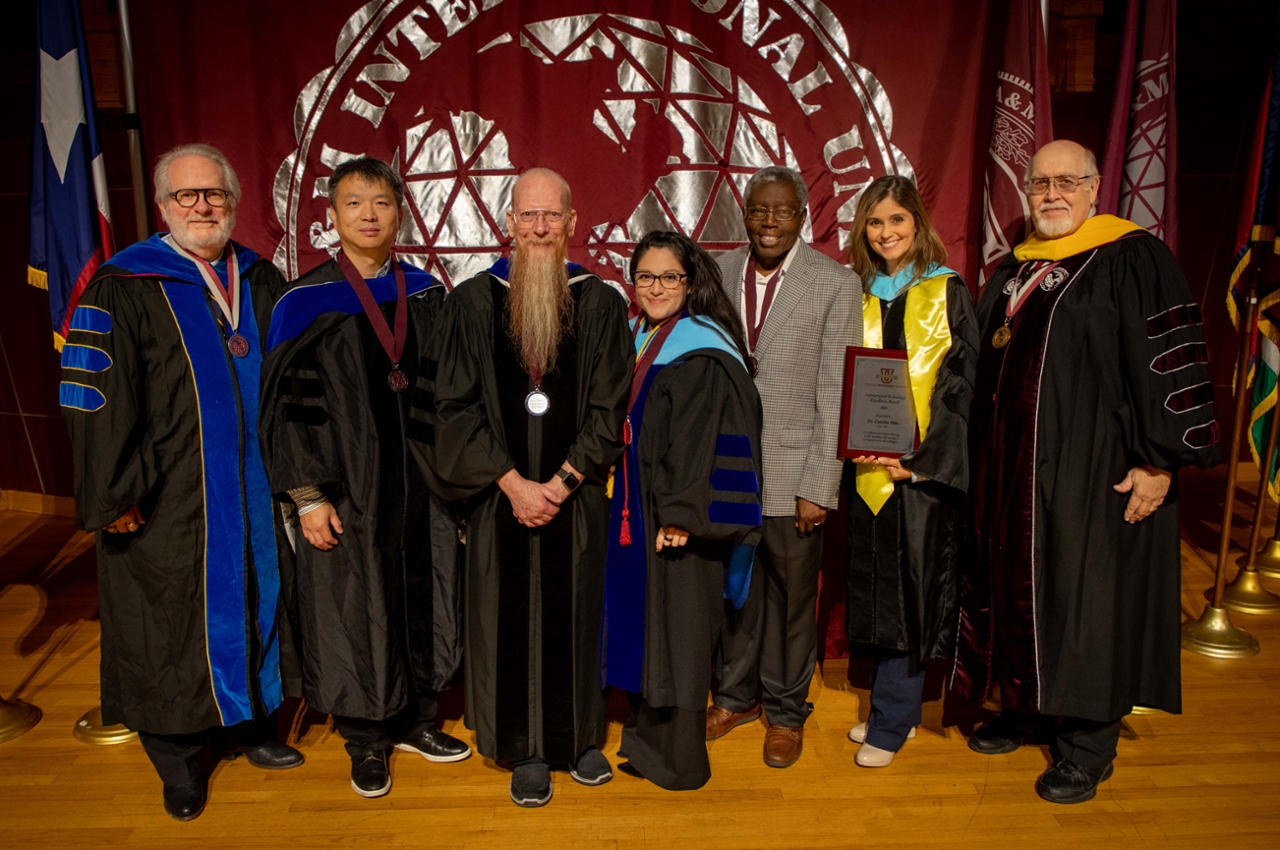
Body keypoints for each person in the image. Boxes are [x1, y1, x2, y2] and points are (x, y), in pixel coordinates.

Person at [952, 140, 1221, 803]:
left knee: (1088, 599)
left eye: (1067, 181)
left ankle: (1088, 746)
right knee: (1021, 589)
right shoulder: (1016, 269)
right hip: (1011, 472)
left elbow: (1170, 361)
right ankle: (1024, 705)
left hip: (1093, 470)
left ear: (1096, 188)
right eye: (1040, 181)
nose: (1051, 193)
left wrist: (1159, 463)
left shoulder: (1132, 258)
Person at [59, 143, 303, 821]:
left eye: (215, 195)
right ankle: (176, 760)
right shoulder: (124, 286)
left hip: (255, 489)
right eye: (186, 196)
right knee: (167, 620)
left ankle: (249, 725)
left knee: (258, 597)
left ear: (234, 202)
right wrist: (112, 493)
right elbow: (94, 398)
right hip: (167, 496)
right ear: (163, 207)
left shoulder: (258, 279)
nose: (202, 207)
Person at [416, 167, 631, 808]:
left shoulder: (600, 302)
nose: (539, 228)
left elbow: (609, 406)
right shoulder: (471, 303)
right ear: (509, 223)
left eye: (551, 216)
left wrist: (561, 484)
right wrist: (513, 484)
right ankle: (522, 747)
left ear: (571, 223)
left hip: (578, 499)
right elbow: (451, 409)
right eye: (527, 216)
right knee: (501, 618)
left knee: (578, 614)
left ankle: (579, 739)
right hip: (498, 500)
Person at [259, 156, 468, 800]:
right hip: (347, 489)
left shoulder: (427, 292)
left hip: (423, 487)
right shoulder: (305, 302)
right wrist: (307, 496)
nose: (369, 215)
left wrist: (457, 483)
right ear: (331, 217)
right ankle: (366, 740)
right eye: (354, 204)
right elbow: (288, 410)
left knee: (425, 594)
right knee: (355, 605)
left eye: (381, 202)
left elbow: (454, 393)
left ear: (400, 212)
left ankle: (417, 722)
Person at [709, 166, 861, 768]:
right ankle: (737, 696)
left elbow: (835, 390)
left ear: (803, 216)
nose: (769, 222)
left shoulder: (834, 283)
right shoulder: (717, 274)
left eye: (782, 212)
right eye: (758, 211)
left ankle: (787, 711)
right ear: (744, 215)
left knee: (793, 598)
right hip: (729, 471)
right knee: (735, 596)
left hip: (796, 473)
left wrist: (819, 485)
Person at [602, 231, 763, 791]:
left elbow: (706, 440)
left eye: (669, 276)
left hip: (676, 522)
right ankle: (645, 745)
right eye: (645, 276)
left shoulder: (701, 348)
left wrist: (682, 514)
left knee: (680, 635)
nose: (656, 287)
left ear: (689, 282)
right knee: (650, 631)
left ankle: (680, 762)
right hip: (634, 509)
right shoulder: (637, 335)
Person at [840, 176, 978, 768]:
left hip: (918, 475)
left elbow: (960, 387)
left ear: (918, 224)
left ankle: (894, 722)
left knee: (912, 588)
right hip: (866, 472)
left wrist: (919, 463)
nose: (887, 232)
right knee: (877, 586)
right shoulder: (856, 293)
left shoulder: (946, 292)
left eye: (897, 220)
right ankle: (889, 709)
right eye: (875, 222)